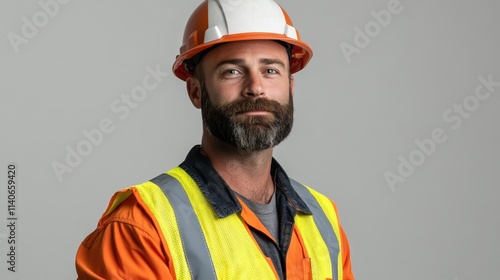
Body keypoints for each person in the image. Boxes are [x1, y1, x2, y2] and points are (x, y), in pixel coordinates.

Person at [75, 0, 355, 279]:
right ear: (196, 92)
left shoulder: (323, 218)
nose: (256, 88)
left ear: (290, 87)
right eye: (232, 71)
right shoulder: (143, 226)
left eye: (270, 70)